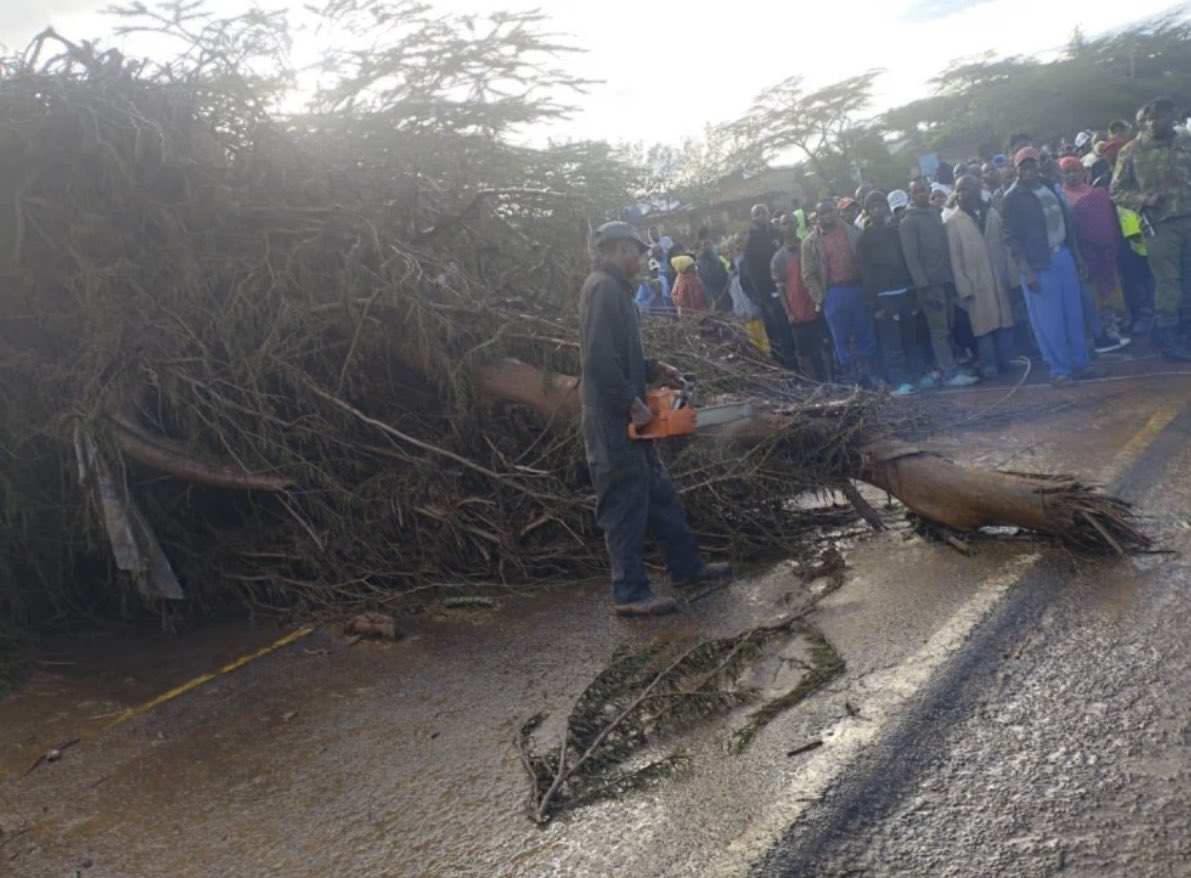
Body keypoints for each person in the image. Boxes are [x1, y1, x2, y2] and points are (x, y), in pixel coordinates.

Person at [578, 222, 730, 616]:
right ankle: (629, 593)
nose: (643, 258)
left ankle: (687, 567)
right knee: (623, 504)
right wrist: (630, 402)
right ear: (620, 248)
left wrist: (653, 368)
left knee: (660, 494)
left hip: (628, 414)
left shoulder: (616, 290)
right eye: (637, 251)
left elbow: (619, 353)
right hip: (612, 421)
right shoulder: (602, 289)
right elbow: (597, 359)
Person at [1001, 148, 1092, 386]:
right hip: (1038, 264)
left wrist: (1077, 257)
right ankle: (1059, 370)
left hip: (1063, 255)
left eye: (1032, 164)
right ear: (1016, 168)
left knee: (1073, 314)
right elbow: (1011, 238)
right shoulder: (1012, 198)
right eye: (1023, 165)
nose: (1028, 169)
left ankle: (1080, 364)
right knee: (1049, 322)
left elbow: (1067, 222)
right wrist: (1026, 271)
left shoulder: (1051, 186)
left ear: (1038, 165)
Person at [1110, 97, 1191, 360]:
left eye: (1160, 116)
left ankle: (1187, 331)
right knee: (1168, 283)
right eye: (1149, 118)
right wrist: (1144, 200)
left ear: (1172, 118)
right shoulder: (1132, 151)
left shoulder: (1185, 142)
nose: (1154, 122)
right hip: (1161, 224)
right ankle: (1169, 338)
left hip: (1188, 217)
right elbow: (1116, 190)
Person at [899, 177, 978, 387]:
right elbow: (912, 258)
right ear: (911, 196)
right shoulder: (908, 222)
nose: (923, 194)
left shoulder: (934, 214)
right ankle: (950, 373)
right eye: (918, 192)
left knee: (950, 325)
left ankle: (953, 365)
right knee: (939, 330)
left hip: (946, 280)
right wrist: (924, 288)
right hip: (930, 286)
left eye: (925, 190)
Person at [945, 175, 1017, 378]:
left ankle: (1007, 360)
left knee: (1004, 321)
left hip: (998, 275)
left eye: (966, 188)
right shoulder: (953, 222)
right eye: (958, 190)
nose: (961, 194)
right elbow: (955, 258)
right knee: (983, 327)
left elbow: (1005, 245)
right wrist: (964, 286)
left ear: (977, 189)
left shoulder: (992, 213)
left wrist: (1012, 276)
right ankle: (989, 364)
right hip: (975, 281)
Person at [801, 199, 879, 385]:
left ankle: (873, 376)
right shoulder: (810, 243)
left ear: (836, 212)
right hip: (834, 293)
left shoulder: (852, 231)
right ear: (816, 217)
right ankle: (854, 381)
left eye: (830, 211)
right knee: (841, 339)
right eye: (822, 213)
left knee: (865, 333)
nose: (827, 216)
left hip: (858, 288)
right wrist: (822, 299)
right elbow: (808, 275)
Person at [857, 189, 926, 395]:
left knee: (911, 338)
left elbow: (906, 261)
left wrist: (914, 293)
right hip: (884, 297)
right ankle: (898, 381)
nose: (877, 210)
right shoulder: (864, 240)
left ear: (887, 207)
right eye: (872, 207)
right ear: (867, 211)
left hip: (904, 291)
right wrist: (874, 304)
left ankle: (919, 375)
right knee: (891, 342)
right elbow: (866, 272)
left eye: (880, 205)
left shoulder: (896, 230)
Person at [1059, 156, 1131, 353]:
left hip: (1105, 254)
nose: (1072, 175)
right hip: (1082, 256)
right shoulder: (1060, 198)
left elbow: (1109, 222)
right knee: (1089, 297)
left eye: (1075, 170)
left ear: (1084, 172)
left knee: (1108, 292)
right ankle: (1096, 335)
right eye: (1067, 172)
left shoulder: (1097, 193)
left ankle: (1111, 330)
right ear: (1061, 175)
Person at [743, 204, 798, 368]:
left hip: (791, 290)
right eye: (757, 213)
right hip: (771, 296)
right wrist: (764, 296)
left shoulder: (778, 235)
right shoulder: (751, 243)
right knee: (780, 335)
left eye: (763, 212)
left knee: (797, 330)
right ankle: (789, 371)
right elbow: (750, 274)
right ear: (753, 218)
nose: (761, 216)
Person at [773, 226, 832, 380]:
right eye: (784, 223)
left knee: (825, 344)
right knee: (804, 350)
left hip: (816, 305)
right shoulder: (778, 258)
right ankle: (816, 383)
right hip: (797, 311)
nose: (788, 228)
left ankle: (832, 379)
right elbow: (780, 289)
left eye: (790, 223)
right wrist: (789, 312)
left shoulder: (809, 247)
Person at [696, 239, 731, 313]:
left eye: (709, 245)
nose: (707, 247)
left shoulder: (718, 259)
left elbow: (725, 274)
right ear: (701, 248)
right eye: (705, 245)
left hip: (723, 292)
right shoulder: (700, 263)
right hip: (712, 295)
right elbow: (705, 279)